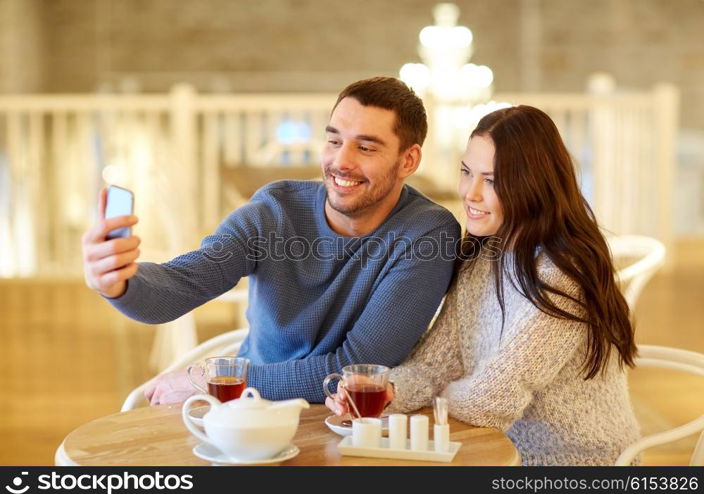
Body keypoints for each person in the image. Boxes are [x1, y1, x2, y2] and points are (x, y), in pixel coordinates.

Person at [81, 76, 460, 404]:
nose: (340, 162)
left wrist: (211, 382)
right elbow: (184, 283)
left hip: (352, 420)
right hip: (248, 411)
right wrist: (119, 283)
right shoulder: (275, 210)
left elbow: (357, 366)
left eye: (365, 147)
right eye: (334, 141)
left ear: (408, 161)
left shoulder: (427, 233)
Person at [327, 105, 640, 466]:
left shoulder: (563, 275)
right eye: (466, 172)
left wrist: (437, 397)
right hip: (495, 451)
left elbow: (493, 400)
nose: (470, 193)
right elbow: (433, 366)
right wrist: (386, 391)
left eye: (491, 180)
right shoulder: (483, 255)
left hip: (575, 464)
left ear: (533, 185)